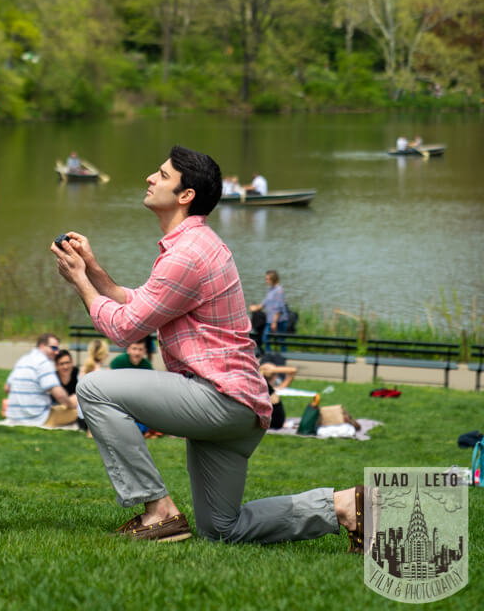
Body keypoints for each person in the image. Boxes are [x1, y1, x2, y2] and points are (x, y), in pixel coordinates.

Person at [52, 144, 363, 549]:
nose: (150, 178)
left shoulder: (188, 255)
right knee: (222, 527)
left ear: (186, 196)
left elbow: (124, 329)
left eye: (162, 175)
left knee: (94, 389)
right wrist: (92, 269)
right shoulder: (194, 246)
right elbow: (141, 302)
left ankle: (159, 512)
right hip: (239, 405)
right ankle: (344, 506)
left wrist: (78, 281)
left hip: (218, 398)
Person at [3, 333, 78, 427]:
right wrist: (71, 403)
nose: (56, 352)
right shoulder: (43, 363)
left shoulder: (23, 359)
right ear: (42, 346)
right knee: (81, 410)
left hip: (14, 417)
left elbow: (7, 388)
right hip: (38, 418)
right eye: (54, 348)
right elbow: (59, 395)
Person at [249, 269, 288, 346]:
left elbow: (278, 308)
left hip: (278, 321)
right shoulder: (270, 289)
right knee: (265, 339)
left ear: (273, 279)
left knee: (281, 341)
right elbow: (265, 303)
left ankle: (283, 355)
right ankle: (268, 355)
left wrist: (274, 322)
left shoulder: (279, 290)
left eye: (267, 279)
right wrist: (255, 307)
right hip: (269, 320)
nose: (266, 281)